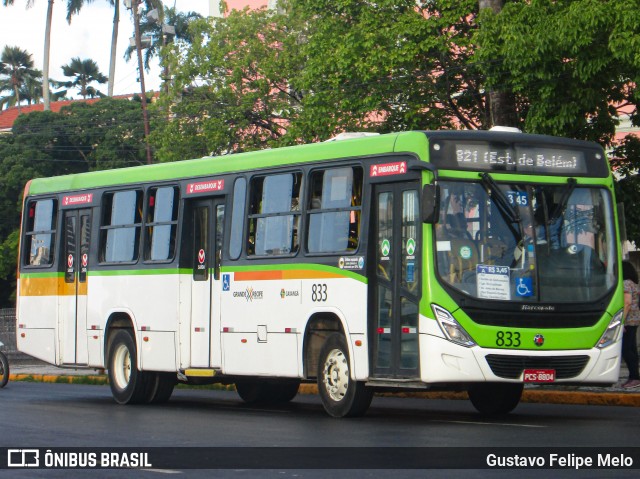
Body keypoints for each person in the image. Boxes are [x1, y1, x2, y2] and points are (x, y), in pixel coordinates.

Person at [621, 260, 640, 389]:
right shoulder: (634, 283)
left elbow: (626, 303)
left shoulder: (626, 283)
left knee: (626, 350)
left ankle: (634, 377)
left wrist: (621, 322)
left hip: (628, 320)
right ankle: (634, 376)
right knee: (632, 349)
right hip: (635, 319)